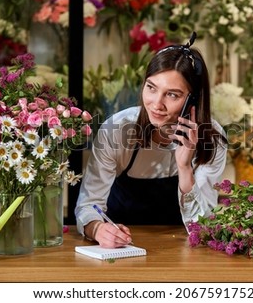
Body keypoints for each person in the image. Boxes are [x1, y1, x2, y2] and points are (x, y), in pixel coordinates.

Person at [75, 32, 228, 248]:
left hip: (182, 251)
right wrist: (99, 229)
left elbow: (202, 227)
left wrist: (185, 168)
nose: (156, 104)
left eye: (172, 95)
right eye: (151, 87)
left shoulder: (213, 139)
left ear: (192, 100)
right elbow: (88, 206)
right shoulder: (116, 130)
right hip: (122, 250)